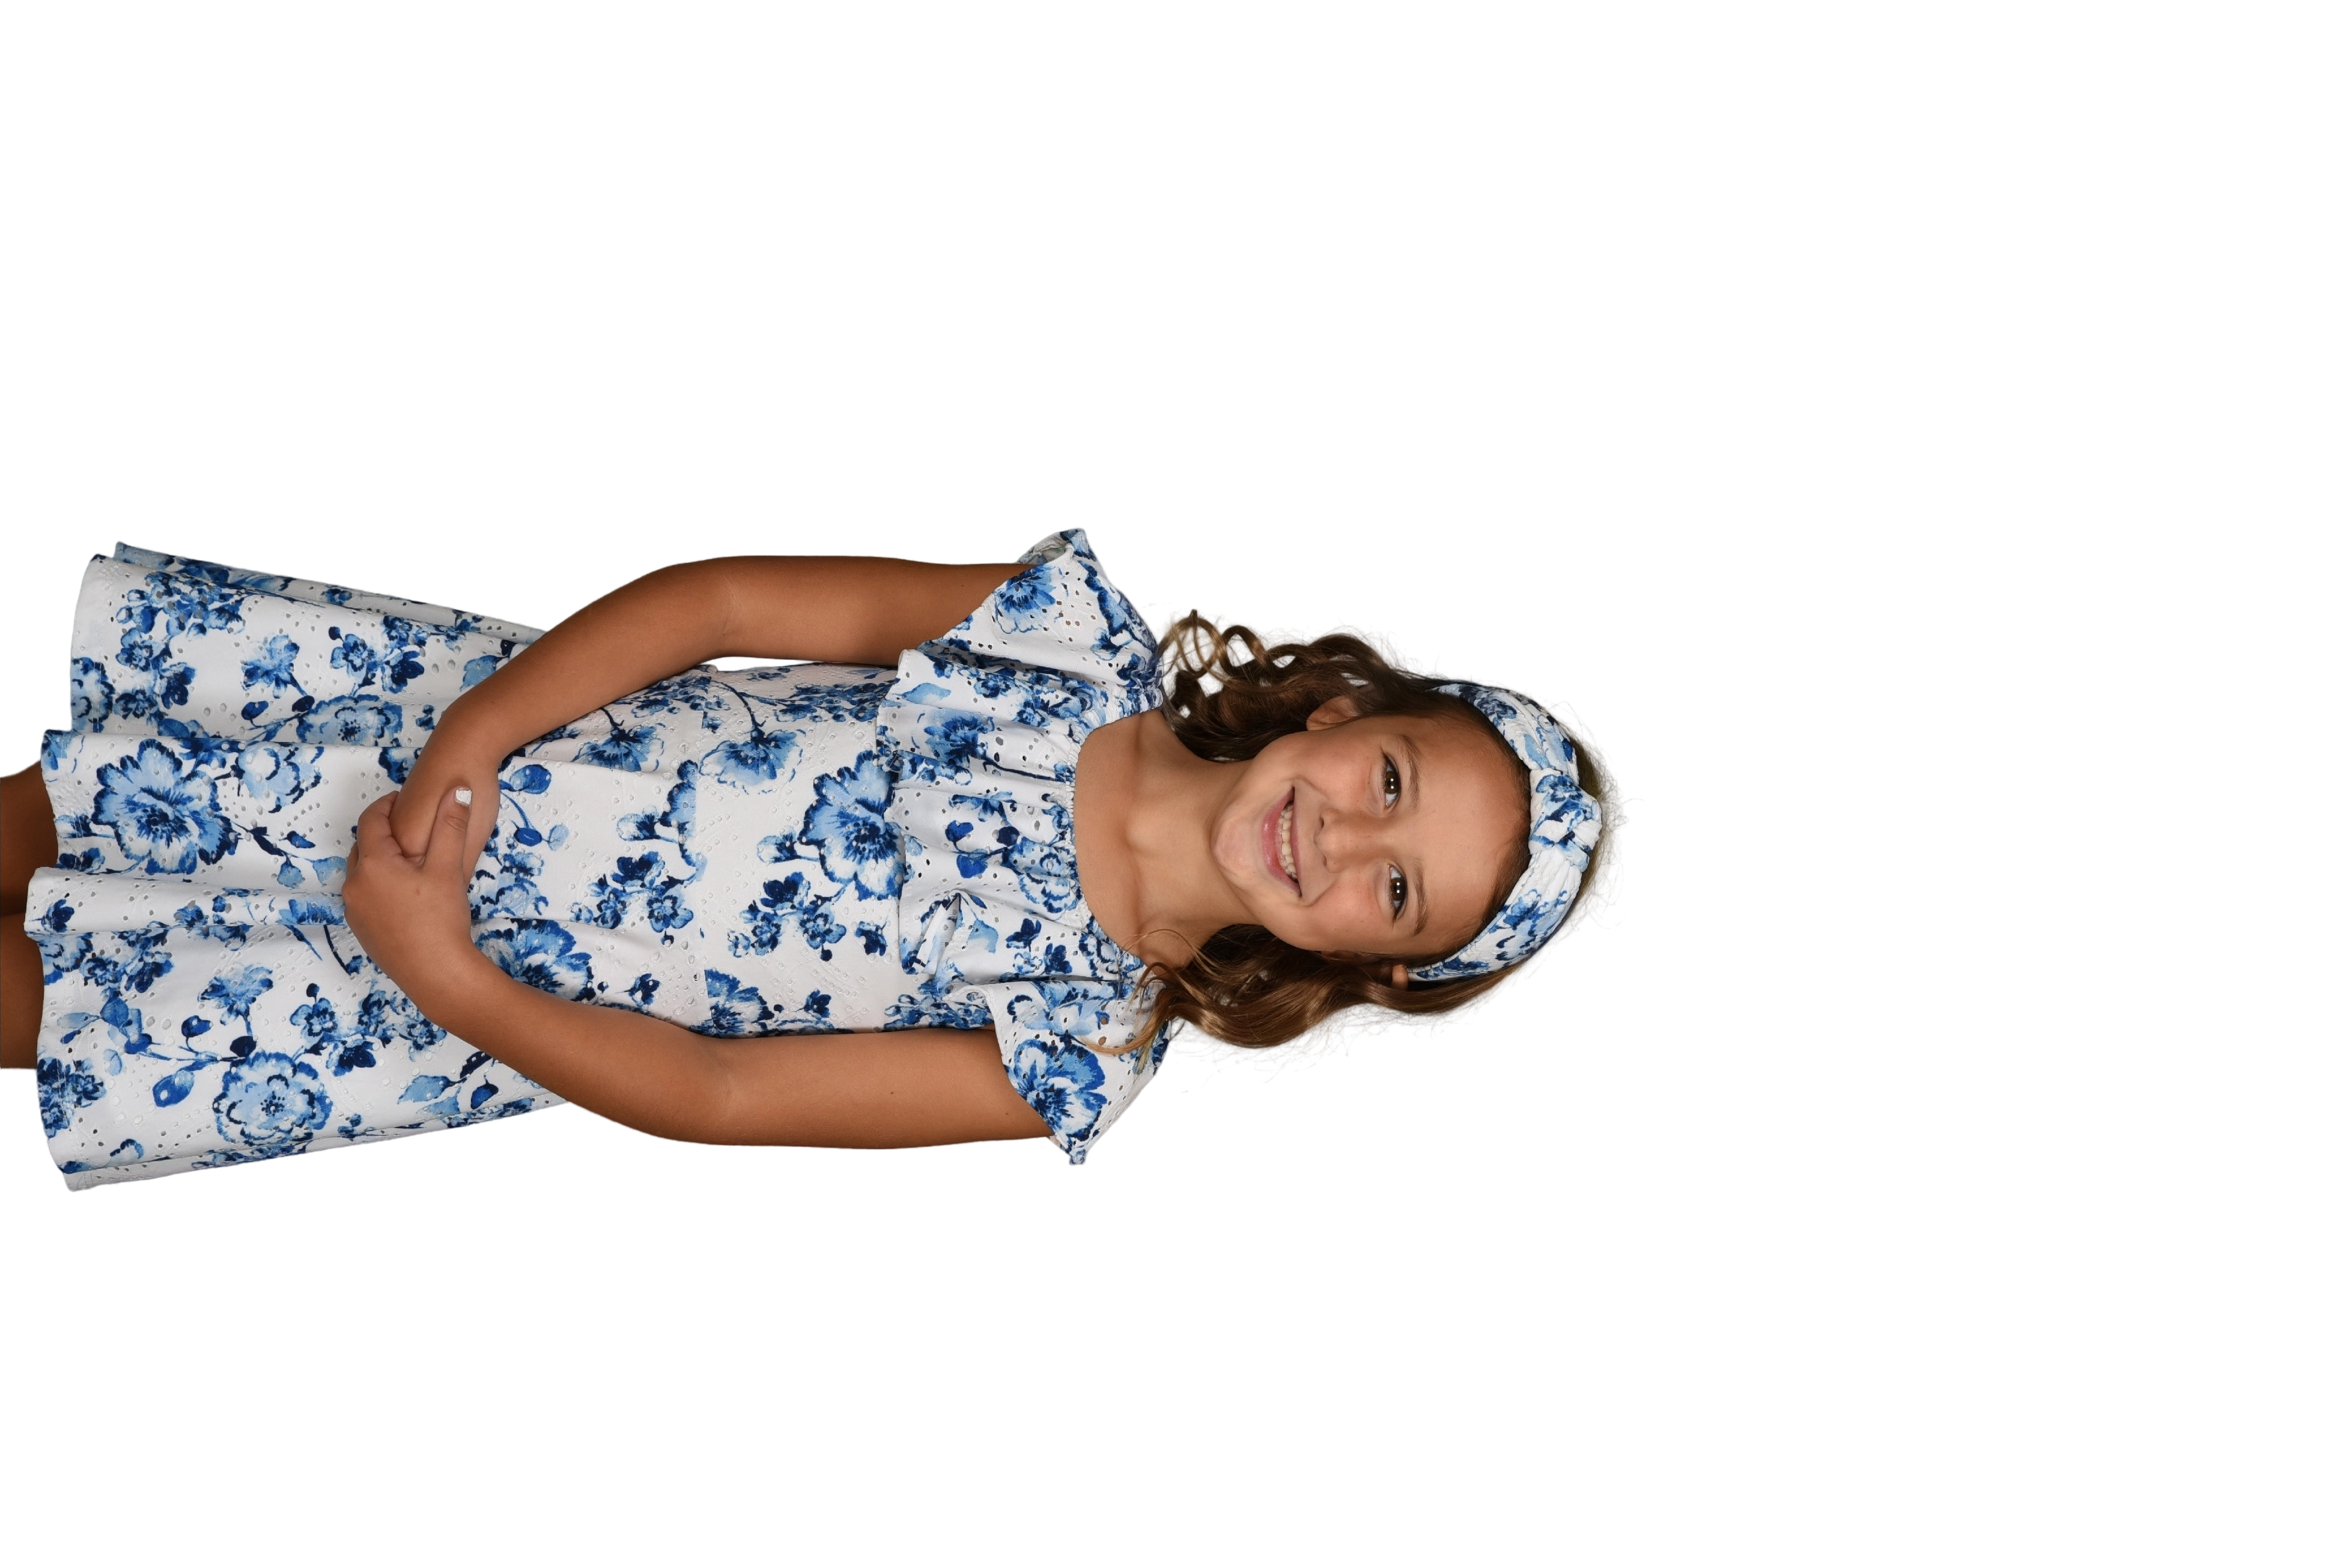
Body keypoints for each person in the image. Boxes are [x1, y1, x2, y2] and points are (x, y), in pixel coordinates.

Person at [3, 527, 1632, 1193]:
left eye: (1395, 889)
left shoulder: (1077, 1046)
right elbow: (727, 606)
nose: (1341, 838)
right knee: (48, 811)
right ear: (1346, 709)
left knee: (34, 1001)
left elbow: (722, 1098)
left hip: (419, 999)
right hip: (440, 743)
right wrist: (473, 736)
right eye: (1391, 781)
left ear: (1365, 965)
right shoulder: (1067, 644)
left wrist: (447, 976)